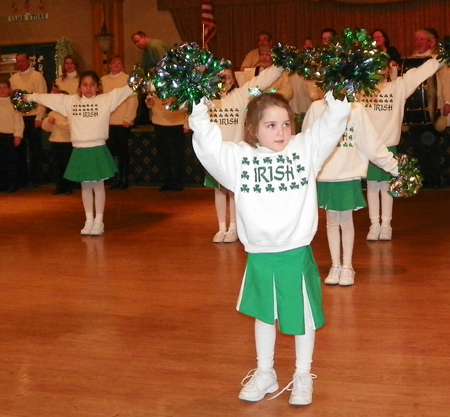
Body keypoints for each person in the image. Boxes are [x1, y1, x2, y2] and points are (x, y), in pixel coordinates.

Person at [189, 91, 351, 404]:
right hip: (260, 255)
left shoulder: (305, 149)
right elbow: (208, 146)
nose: (281, 132)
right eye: (271, 125)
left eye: (286, 124)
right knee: (264, 316)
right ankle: (266, 371)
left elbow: (330, 126)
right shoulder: (238, 158)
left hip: (295, 253)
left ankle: (303, 374)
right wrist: (198, 108)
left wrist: (340, 97)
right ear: (252, 129)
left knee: (302, 317)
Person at [24, 71, 135, 236]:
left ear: (98, 87)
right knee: (85, 186)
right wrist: (29, 97)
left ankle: (99, 221)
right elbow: (48, 98)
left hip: (97, 149)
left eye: (92, 85)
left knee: (98, 186)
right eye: (85, 85)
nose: (88, 88)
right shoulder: (69, 102)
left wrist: (143, 82)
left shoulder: (106, 100)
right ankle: (89, 220)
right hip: (80, 150)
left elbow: (127, 90)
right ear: (79, 87)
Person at [302, 99, 398, 286]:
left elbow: (372, 144)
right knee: (331, 222)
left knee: (346, 221)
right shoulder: (316, 107)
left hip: (348, 174)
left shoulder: (357, 108)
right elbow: (307, 142)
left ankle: (347, 266)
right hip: (326, 175)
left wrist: (395, 167)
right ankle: (335, 264)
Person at [360, 56, 447, 240]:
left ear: (386, 70)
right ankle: (374, 224)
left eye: (379, 68)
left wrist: (441, 56)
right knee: (372, 187)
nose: (376, 72)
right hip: (369, 148)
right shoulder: (361, 90)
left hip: (388, 146)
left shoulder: (398, 87)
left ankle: (386, 225)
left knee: (387, 186)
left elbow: (420, 73)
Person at [207, 62, 285, 243]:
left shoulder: (242, 95)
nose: (224, 81)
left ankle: (234, 227)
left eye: (227, 77)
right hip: (216, 154)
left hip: (235, 155)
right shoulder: (208, 99)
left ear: (233, 79)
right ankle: (221, 227)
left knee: (235, 191)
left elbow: (261, 82)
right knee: (219, 191)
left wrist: (279, 66)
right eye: (220, 77)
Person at [9, 52, 48, 188]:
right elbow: (13, 100)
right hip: (19, 118)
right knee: (19, 149)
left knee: (35, 149)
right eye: (18, 61)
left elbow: (42, 97)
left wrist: (39, 117)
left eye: (22, 60)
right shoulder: (13, 79)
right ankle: (22, 178)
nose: (20, 63)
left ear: (28, 61)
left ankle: (37, 178)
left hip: (34, 117)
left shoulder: (37, 76)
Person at [101, 55, 138, 190]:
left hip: (122, 122)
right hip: (108, 122)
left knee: (123, 152)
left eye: (119, 62)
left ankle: (124, 178)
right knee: (112, 152)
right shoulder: (103, 80)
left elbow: (132, 101)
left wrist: (128, 118)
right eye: (114, 62)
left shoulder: (127, 79)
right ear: (109, 66)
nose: (116, 64)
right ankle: (115, 178)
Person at [145, 95, 188, 192]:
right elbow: (150, 99)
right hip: (159, 123)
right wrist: (149, 103)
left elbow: (188, 102)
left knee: (178, 155)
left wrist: (187, 123)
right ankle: (167, 182)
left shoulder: (180, 82)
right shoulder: (155, 82)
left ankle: (179, 182)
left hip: (177, 123)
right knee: (163, 154)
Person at [41, 89, 73, 195]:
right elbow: (46, 127)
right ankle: (59, 186)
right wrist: (49, 122)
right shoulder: (52, 113)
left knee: (67, 165)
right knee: (57, 166)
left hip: (67, 142)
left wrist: (56, 122)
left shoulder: (71, 113)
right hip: (55, 142)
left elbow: (69, 127)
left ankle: (68, 187)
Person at [0, 79, 24, 193]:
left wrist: (18, 135)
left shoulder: (13, 104)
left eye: (5, 88)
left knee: (11, 162)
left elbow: (18, 121)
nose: (2, 90)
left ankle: (12, 183)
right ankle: (2, 184)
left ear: (9, 90)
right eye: (0, 88)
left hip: (10, 136)